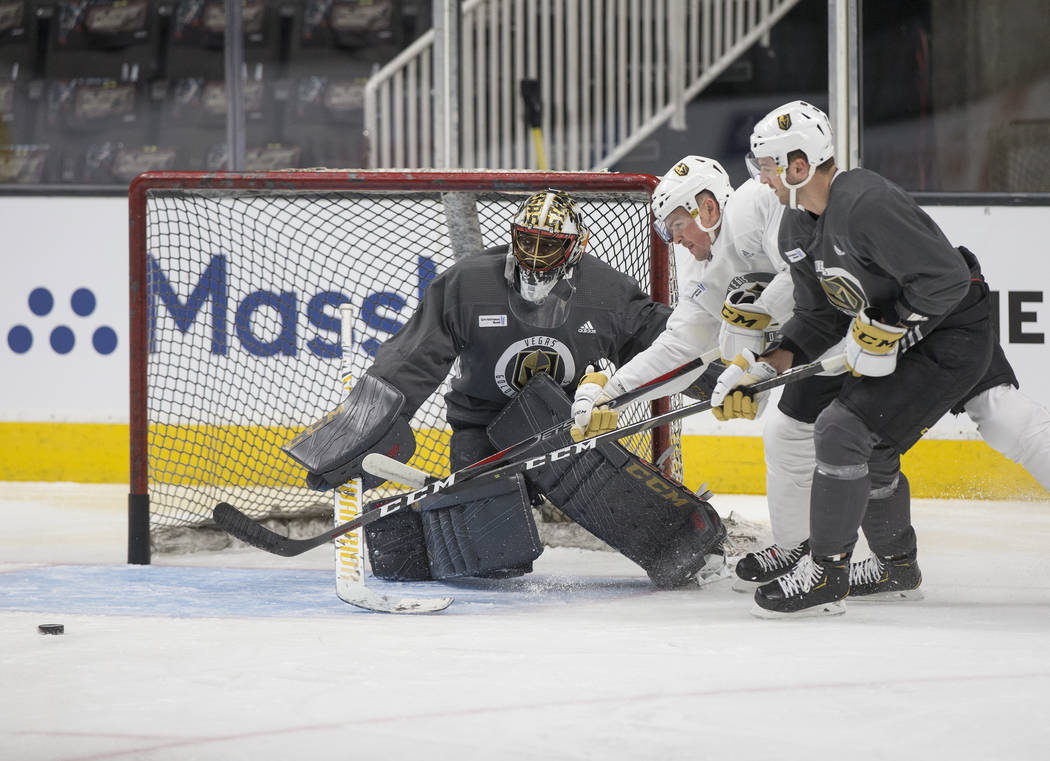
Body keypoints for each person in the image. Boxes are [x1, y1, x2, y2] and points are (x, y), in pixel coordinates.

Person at [283, 189, 726, 589]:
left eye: (549, 245)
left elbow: (669, 343)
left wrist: (731, 373)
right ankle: (434, 522)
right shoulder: (468, 284)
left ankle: (683, 539)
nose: (535, 255)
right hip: (483, 428)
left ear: (576, 248)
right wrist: (367, 427)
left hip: (563, 429)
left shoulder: (607, 291)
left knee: (620, 502)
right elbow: (410, 359)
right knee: (492, 562)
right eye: (527, 240)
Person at [708, 99, 998, 618]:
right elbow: (819, 316)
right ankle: (896, 568)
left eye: (768, 168)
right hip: (899, 332)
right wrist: (763, 367)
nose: (763, 180)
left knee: (842, 430)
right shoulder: (796, 228)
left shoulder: (867, 203)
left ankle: (826, 572)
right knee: (872, 444)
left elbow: (948, 279)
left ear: (799, 166)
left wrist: (889, 328)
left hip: (953, 333)